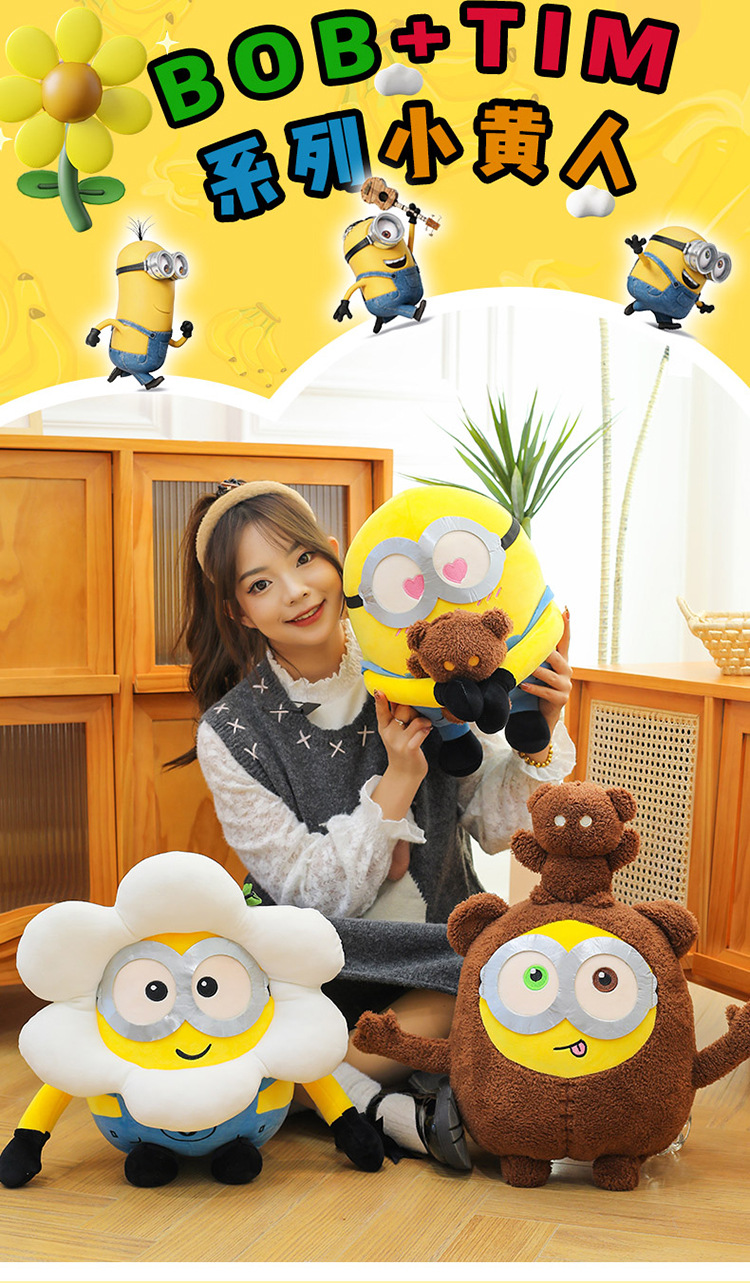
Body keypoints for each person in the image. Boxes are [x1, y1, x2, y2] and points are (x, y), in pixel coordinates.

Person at [174, 478, 576, 1167]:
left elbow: (492, 827)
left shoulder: (412, 664)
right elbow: (309, 895)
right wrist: (398, 782)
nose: (296, 592)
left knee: (514, 967)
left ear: (338, 556)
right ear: (238, 611)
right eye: (261, 584)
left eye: (304, 559)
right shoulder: (230, 732)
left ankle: (310, 1083)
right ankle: (379, 1092)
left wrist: (541, 734)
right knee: (493, 999)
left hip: (438, 951)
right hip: (316, 959)